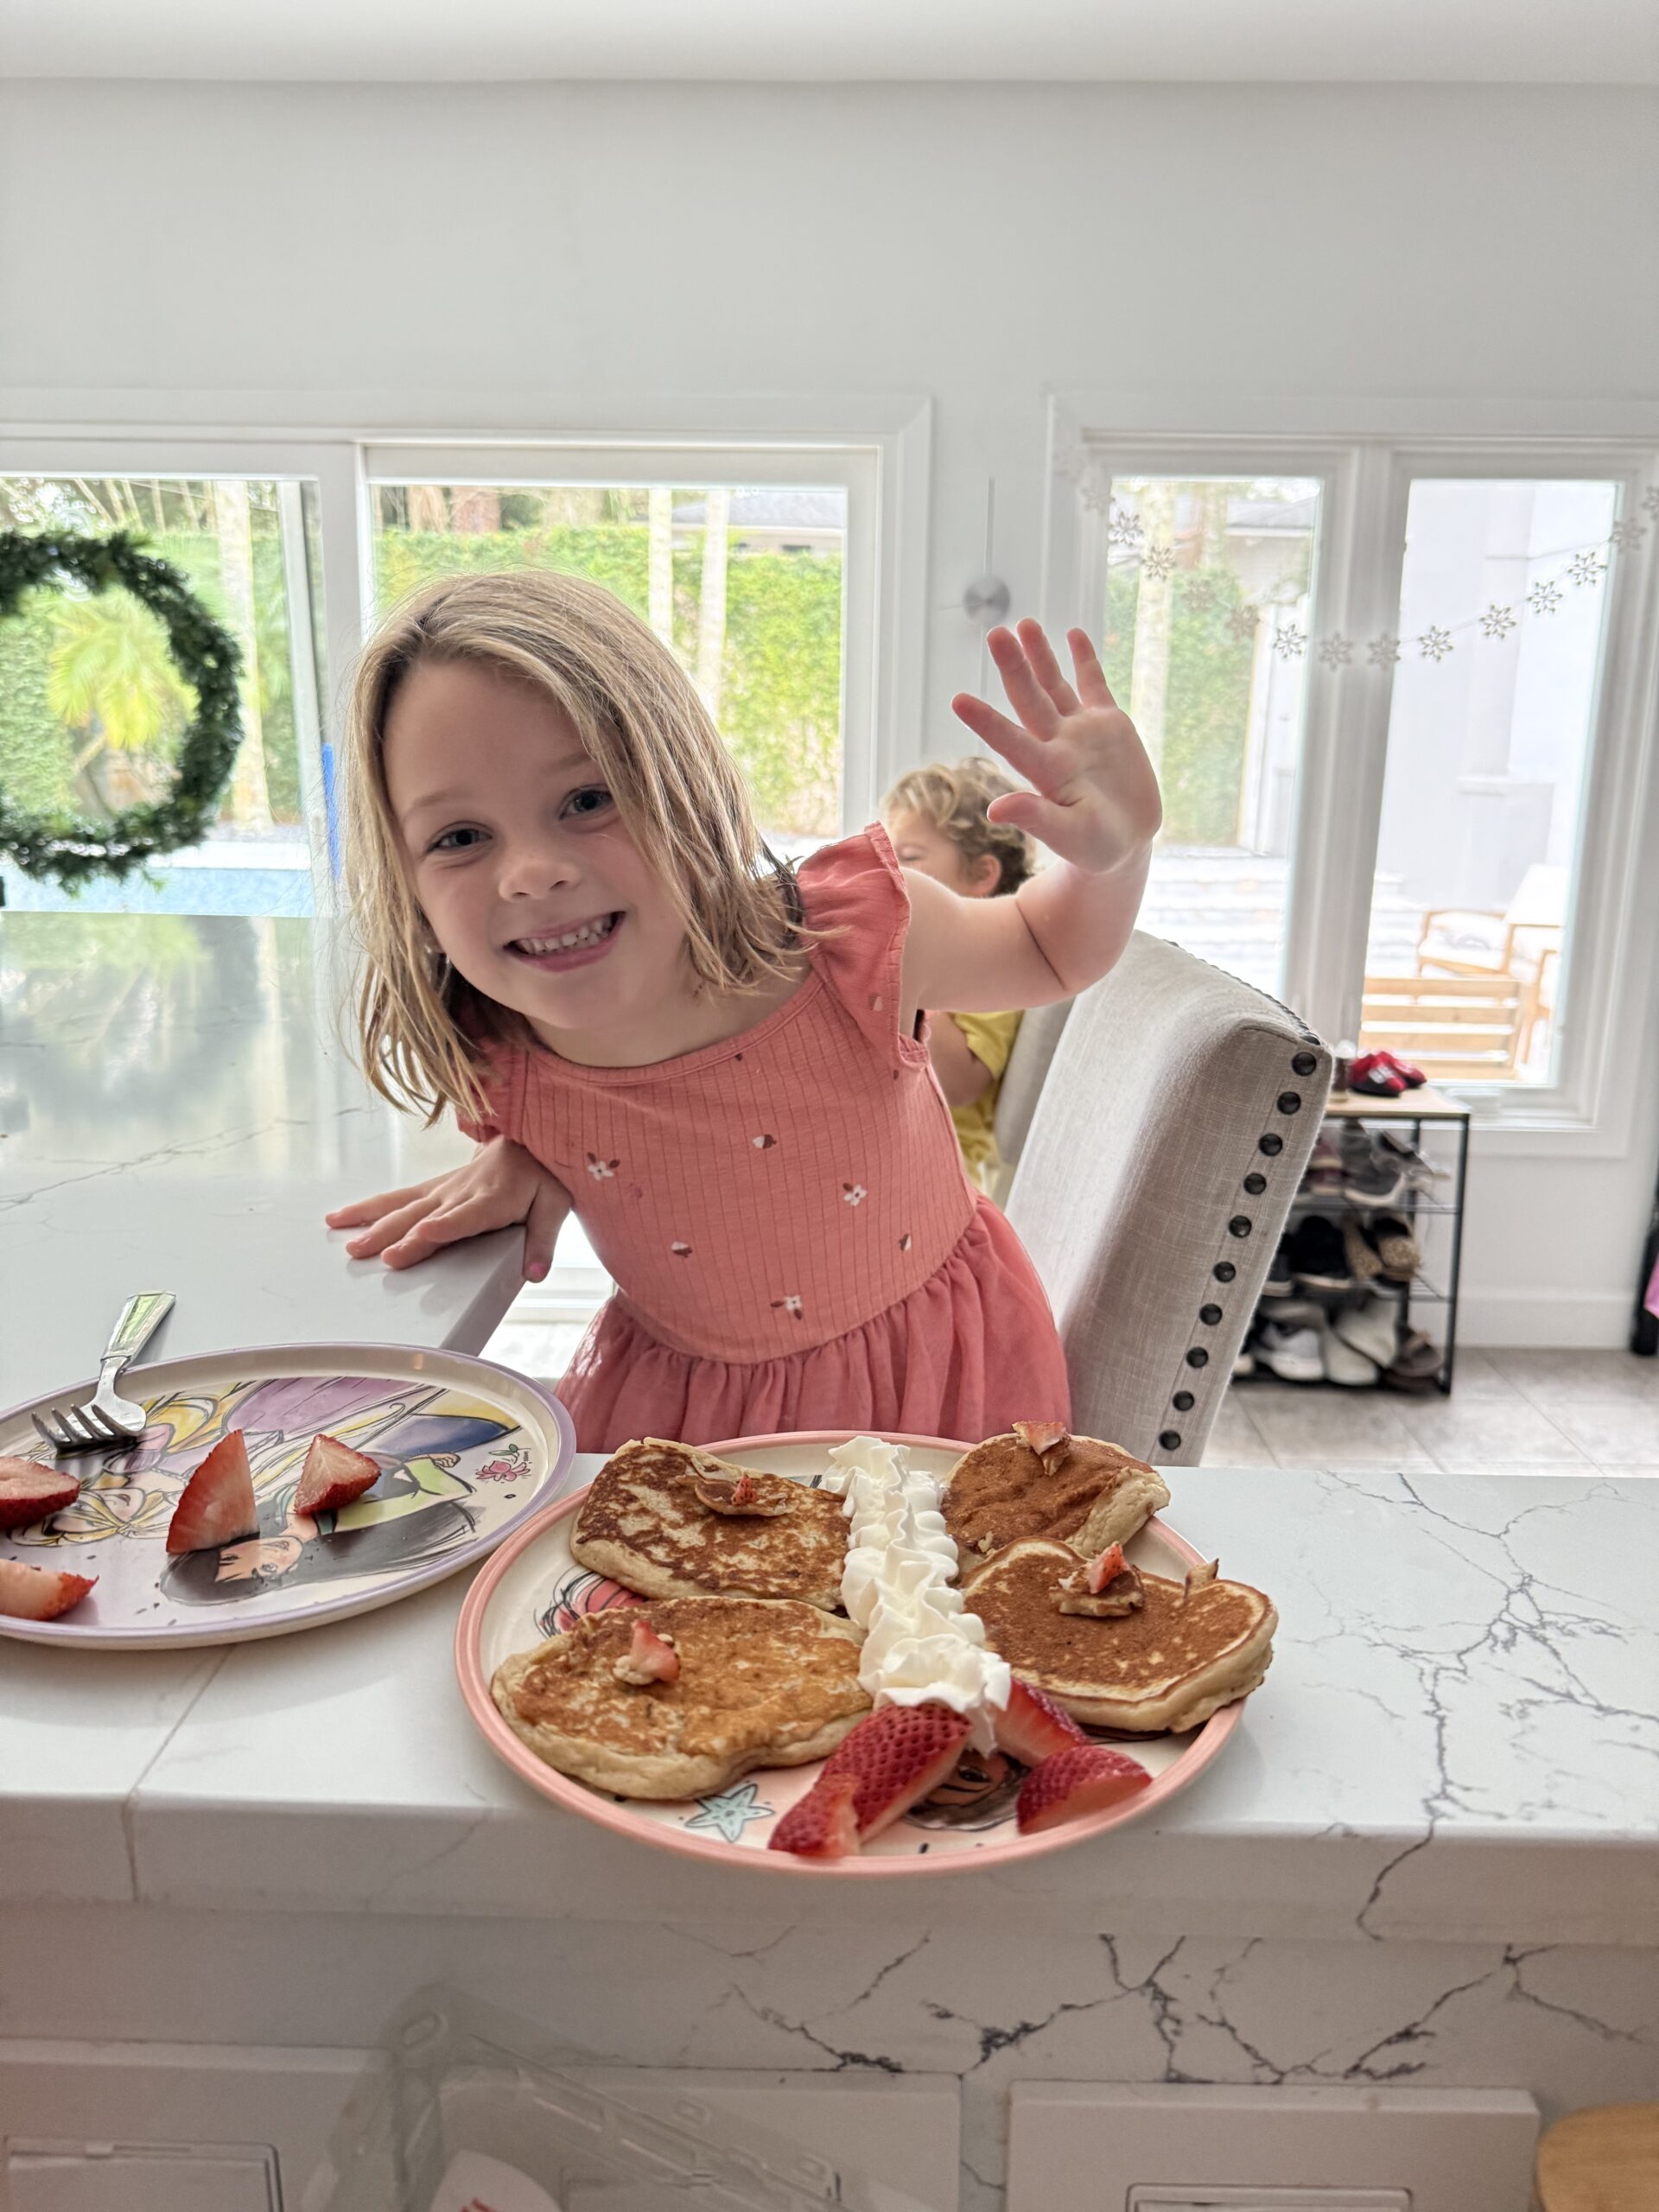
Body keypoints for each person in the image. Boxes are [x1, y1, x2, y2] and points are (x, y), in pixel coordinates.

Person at [326, 571, 1160, 1451]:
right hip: (694, 1423)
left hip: (938, 1386)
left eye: (587, 799)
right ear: (405, 885)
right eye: (459, 837)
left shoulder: (848, 939)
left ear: (683, 783)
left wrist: (1113, 855)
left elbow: (1049, 945)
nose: (531, 871)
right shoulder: (500, 1050)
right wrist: (528, 1157)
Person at [883, 757, 1038, 1192]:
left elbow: (960, 1083)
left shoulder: (998, 961)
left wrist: (909, 967)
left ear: (982, 875)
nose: (887, 872)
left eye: (909, 858)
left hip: (939, 1180)